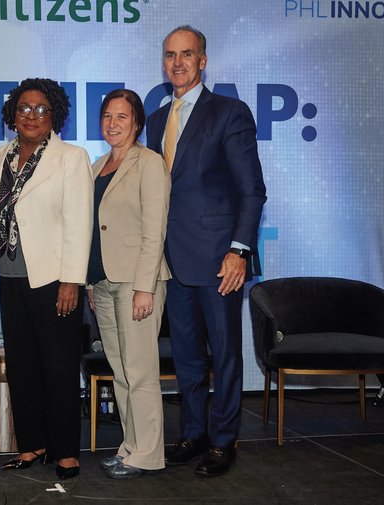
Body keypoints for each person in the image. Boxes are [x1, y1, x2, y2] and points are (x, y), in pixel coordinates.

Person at [145, 26, 267, 478]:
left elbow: (251, 191)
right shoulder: (155, 120)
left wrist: (239, 251)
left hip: (219, 261)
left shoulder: (229, 113)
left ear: (203, 60)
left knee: (224, 353)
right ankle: (193, 433)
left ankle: (222, 441)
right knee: (187, 358)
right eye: (170, 55)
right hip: (171, 262)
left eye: (187, 54)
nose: (177, 62)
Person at [0, 78, 93, 480]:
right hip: (10, 274)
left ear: (55, 115)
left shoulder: (71, 158)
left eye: (41, 109)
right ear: (12, 114)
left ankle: (65, 452)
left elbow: (80, 224)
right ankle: (33, 445)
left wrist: (71, 281)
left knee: (59, 366)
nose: (31, 115)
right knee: (24, 365)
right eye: (24, 108)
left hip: (53, 278)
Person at [85, 89, 170, 479]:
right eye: (107, 116)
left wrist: (144, 286)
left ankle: (148, 454)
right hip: (102, 283)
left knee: (140, 371)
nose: (113, 123)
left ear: (137, 122)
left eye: (122, 116)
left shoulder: (150, 163)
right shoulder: (98, 164)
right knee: (121, 371)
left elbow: (155, 231)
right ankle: (129, 446)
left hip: (136, 283)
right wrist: (88, 280)